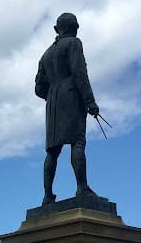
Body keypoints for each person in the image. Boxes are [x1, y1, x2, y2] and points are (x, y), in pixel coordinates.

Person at [35, 12, 100, 205]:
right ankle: (82, 187)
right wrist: (90, 101)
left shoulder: (45, 55)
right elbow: (80, 73)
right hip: (71, 97)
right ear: (75, 28)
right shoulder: (74, 43)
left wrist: (53, 95)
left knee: (52, 151)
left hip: (52, 104)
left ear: (57, 29)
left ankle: (47, 195)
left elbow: (38, 88)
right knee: (77, 142)